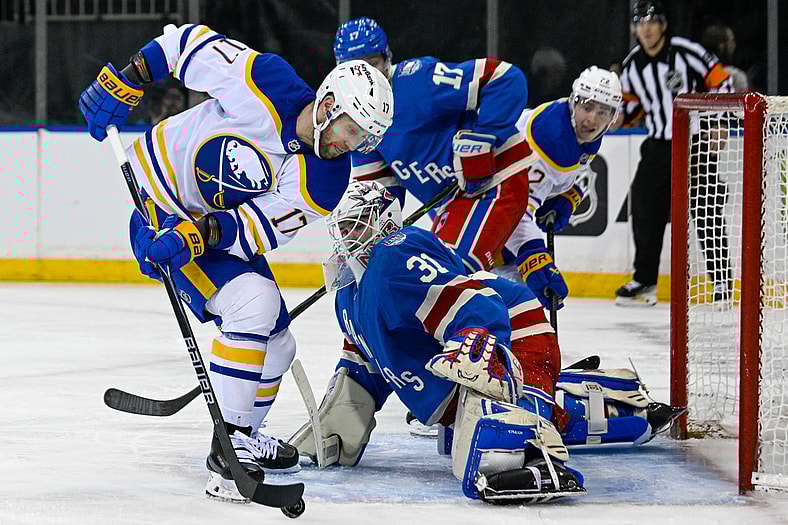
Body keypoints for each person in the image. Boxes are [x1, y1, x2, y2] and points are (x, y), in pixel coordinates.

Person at [78, 23, 393, 502]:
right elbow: (186, 45)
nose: (352, 145)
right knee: (255, 304)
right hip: (158, 204)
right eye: (352, 130)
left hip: (199, 231)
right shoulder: (267, 82)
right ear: (329, 105)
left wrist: (198, 237)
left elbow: (253, 228)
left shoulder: (327, 181)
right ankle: (227, 455)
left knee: (281, 344)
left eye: (363, 139)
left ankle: (238, 434)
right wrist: (129, 78)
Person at [289, 181, 686, 502]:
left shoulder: (394, 259)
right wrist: (338, 423)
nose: (347, 238)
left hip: (514, 334)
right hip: (466, 372)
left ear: (384, 223)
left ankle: (537, 452)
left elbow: (480, 307)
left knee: (493, 453)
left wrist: (475, 345)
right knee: (481, 430)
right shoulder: (347, 295)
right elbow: (366, 369)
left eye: (357, 226)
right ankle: (621, 403)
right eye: (342, 229)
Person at [333, 17, 533, 277]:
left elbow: (505, 79)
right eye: (357, 70)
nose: (368, 79)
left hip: (495, 181)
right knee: (429, 274)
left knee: (448, 274)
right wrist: (364, 234)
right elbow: (381, 194)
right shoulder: (357, 122)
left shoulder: (417, 81)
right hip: (451, 204)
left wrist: (481, 139)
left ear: (387, 58)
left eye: (372, 65)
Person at [614, 0, 733, 306]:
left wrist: (717, 123)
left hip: (696, 143)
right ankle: (645, 281)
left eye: (652, 22)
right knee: (643, 210)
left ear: (663, 26)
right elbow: (631, 106)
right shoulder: (632, 65)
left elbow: (721, 79)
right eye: (641, 23)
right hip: (657, 146)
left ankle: (721, 283)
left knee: (706, 212)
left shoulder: (685, 51)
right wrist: (615, 115)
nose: (647, 28)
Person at [701, 23, 749, 92]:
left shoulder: (693, 70)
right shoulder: (735, 76)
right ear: (721, 45)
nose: (734, 45)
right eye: (731, 41)